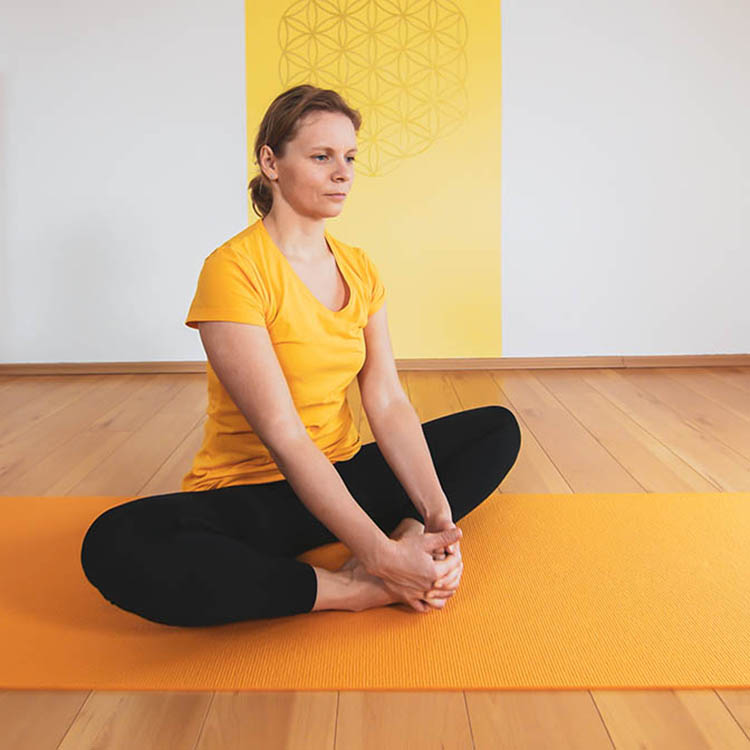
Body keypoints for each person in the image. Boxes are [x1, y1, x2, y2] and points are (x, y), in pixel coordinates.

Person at [80, 84, 522, 627]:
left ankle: (409, 542)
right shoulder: (233, 270)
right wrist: (381, 560)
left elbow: (387, 401)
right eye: (321, 157)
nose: (343, 174)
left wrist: (436, 525)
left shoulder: (359, 267)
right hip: (258, 491)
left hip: (343, 472)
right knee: (116, 541)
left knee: (495, 429)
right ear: (271, 162)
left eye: (350, 158)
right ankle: (353, 588)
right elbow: (284, 436)